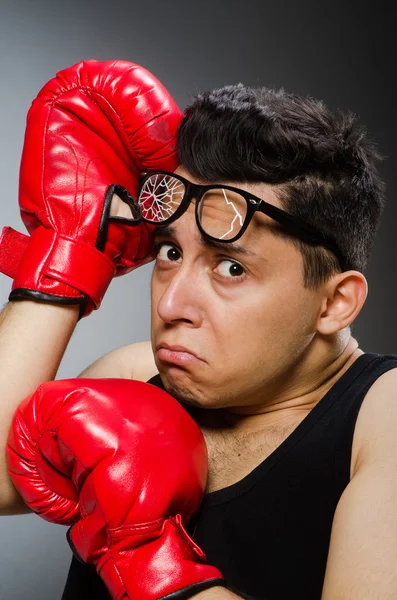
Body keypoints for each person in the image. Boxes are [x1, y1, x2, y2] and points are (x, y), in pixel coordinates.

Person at [1, 59, 396, 600]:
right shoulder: (134, 375)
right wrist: (66, 250)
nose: (172, 301)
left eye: (231, 266)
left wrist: (143, 557)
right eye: (169, 251)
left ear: (335, 302)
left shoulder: (383, 418)